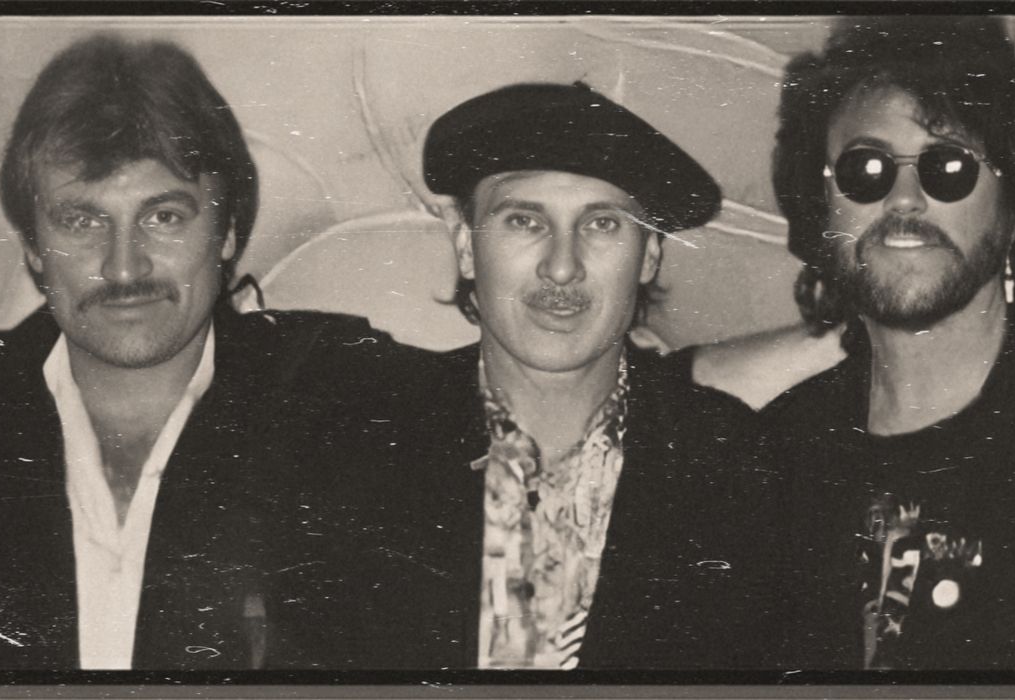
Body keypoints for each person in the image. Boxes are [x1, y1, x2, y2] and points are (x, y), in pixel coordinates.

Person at [0, 34, 420, 670]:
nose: (125, 267)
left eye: (164, 217)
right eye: (82, 222)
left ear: (227, 229)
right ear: (34, 248)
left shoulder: (344, 393)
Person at [318, 82, 775, 670]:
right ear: (465, 245)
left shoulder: (736, 470)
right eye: (523, 220)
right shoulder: (357, 449)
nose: (562, 266)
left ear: (650, 254)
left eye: (602, 224)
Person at [762, 16, 1015, 670]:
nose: (904, 199)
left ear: (1013, 207)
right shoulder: (776, 455)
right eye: (865, 168)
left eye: (949, 166)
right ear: (822, 208)